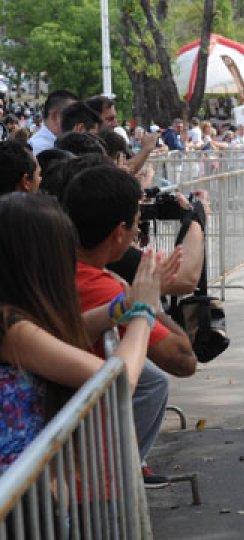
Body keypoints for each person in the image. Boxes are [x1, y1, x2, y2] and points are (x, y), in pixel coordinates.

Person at [0, 192, 161, 475]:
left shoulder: (15, 319)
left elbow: (56, 339)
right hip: (23, 507)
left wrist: (122, 306)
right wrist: (143, 315)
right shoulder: (10, 328)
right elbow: (118, 379)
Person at [63, 165, 197, 485]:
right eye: (137, 224)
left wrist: (132, 299)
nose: (138, 233)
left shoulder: (76, 271)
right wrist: (146, 301)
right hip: (81, 482)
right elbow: (182, 359)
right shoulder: (97, 285)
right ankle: (126, 469)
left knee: (154, 382)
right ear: (119, 232)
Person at [28, 90, 78, 155]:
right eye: (73, 116)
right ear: (55, 116)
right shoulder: (40, 149)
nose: (78, 122)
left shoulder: (62, 144)